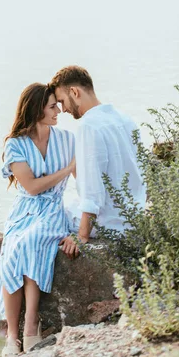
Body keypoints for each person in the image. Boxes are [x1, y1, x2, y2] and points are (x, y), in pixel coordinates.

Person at [0, 83, 75, 356]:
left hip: (52, 210)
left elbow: (84, 183)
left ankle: (31, 325)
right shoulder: (15, 144)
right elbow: (30, 187)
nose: (58, 111)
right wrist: (67, 169)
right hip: (24, 211)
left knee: (31, 242)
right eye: (52, 107)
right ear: (36, 109)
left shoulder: (67, 139)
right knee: (12, 250)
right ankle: (12, 336)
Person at [51, 65, 146, 259]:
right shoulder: (124, 119)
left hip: (111, 225)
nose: (63, 109)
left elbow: (92, 190)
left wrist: (81, 236)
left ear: (74, 92)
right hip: (134, 219)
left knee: (48, 219)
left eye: (62, 101)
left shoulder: (89, 126)